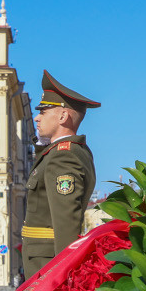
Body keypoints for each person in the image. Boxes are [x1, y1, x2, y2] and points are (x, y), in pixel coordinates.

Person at [22, 70, 100, 276]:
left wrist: (64, 276)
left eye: (44, 112)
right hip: (43, 260)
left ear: (63, 116)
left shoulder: (63, 157)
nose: (37, 118)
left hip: (48, 267)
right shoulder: (65, 152)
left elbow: (66, 223)